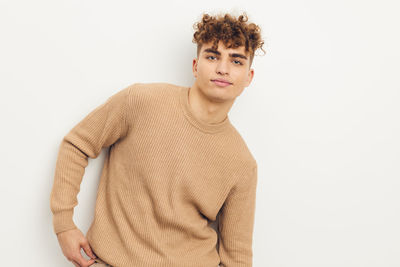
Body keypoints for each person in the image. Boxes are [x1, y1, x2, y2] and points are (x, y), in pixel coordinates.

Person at [50, 11, 265, 267]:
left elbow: (237, 255)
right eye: (212, 56)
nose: (222, 68)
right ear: (195, 66)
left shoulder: (242, 163)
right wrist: (63, 224)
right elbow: (77, 144)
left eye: (236, 61)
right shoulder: (141, 101)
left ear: (248, 77)